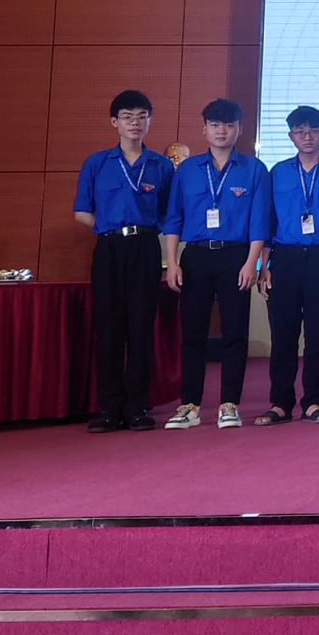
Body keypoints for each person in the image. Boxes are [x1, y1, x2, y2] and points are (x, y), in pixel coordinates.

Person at [161, 98, 270, 430]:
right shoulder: (188, 170)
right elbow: (173, 219)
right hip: (195, 257)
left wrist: (252, 263)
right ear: (204, 129)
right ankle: (189, 404)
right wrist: (172, 263)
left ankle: (229, 404)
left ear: (239, 129)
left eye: (229, 125)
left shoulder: (254, 169)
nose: (222, 131)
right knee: (192, 332)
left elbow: (260, 222)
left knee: (235, 332)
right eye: (215, 125)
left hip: (236, 256)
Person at [73, 90, 175, 432]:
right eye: (128, 117)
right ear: (114, 122)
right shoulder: (97, 163)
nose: (135, 123)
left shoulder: (161, 165)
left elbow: (170, 214)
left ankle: (136, 407)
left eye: (142, 117)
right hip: (109, 249)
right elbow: (81, 211)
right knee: (109, 328)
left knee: (141, 327)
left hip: (145, 248)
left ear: (149, 122)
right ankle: (109, 408)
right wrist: (108, 228)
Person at [254, 106, 319, 426]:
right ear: (291, 136)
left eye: (313, 130)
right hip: (284, 258)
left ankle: (313, 401)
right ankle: (280, 403)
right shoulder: (278, 172)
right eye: (300, 131)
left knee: (318, 334)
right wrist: (264, 266)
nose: (307, 137)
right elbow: (268, 221)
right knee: (283, 334)